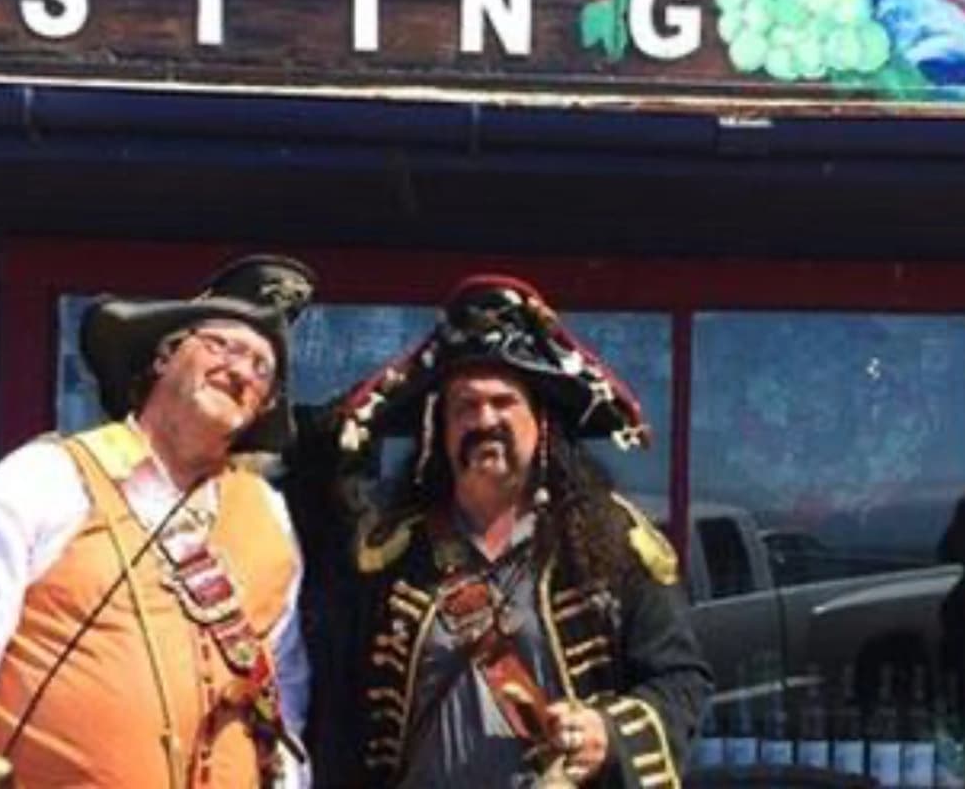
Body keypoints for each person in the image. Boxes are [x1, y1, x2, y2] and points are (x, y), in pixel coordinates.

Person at [0, 255, 318, 788]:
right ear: (163, 357)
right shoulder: (49, 478)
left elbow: (285, 701)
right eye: (222, 346)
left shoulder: (268, 518)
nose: (240, 371)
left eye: (262, 369)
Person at [300, 274, 710, 788]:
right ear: (439, 430)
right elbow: (342, 717)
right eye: (464, 406)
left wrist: (609, 733)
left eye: (503, 402)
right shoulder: (389, 553)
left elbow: (680, 680)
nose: (484, 419)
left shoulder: (614, 539)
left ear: (541, 424)